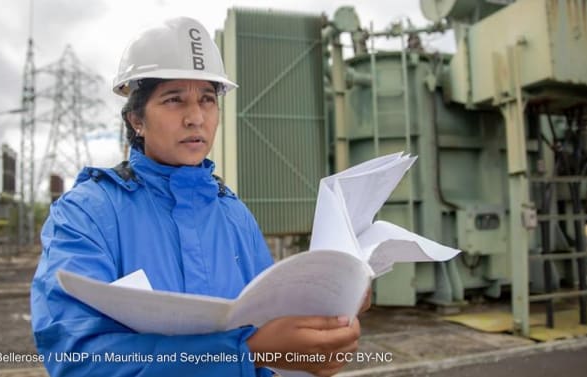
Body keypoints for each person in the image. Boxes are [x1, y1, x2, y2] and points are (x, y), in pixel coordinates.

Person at [31, 17, 368, 377]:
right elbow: (78, 359)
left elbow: (273, 324)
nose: (196, 117)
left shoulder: (234, 214)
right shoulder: (87, 213)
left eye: (207, 100)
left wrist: (328, 311)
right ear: (136, 120)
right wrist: (244, 353)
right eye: (174, 100)